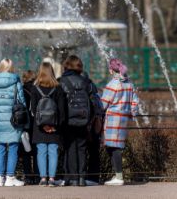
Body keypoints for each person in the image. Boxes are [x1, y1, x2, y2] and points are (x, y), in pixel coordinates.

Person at [59, 55, 99, 186]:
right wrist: (90, 119)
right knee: (82, 148)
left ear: (67, 66)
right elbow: (93, 102)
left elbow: (59, 103)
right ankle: (82, 178)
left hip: (68, 120)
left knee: (70, 147)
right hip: (83, 119)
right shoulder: (87, 82)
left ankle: (73, 178)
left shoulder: (62, 81)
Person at [101, 58, 139, 186]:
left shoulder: (113, 84)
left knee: (113, 147)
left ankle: (118, 176)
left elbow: (103, 104)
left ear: (111, 70)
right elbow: (135, 101)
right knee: (116, 146)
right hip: (123, 118)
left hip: (113, 118)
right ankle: (117, 175)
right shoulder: (129, 83)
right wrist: (132, 113)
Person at [30, 62, 67, 187]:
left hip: (39, 127)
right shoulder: (58, 88)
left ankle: (43, 178)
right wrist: (54, 126)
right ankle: (52, 178)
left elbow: (34, 110)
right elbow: (62, 111)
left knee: (41, 152)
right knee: (53, 151)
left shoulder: (35, 88)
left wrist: (43, 125)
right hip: (55, 127)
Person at [0, 58, 26, 187]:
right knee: (13, 148)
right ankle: (10, 177)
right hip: (13, 121)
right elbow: (22, 102)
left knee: (0, 148)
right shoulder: (16, 82)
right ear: (11, 68)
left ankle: (0, 178)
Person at [20, 69, 39, 184]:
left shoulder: (21, 90)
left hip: (25, 125)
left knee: (26, 151)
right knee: (37, 151)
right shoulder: (37, 90)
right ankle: (37, 176)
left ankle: (28, 176)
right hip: (36, 125)